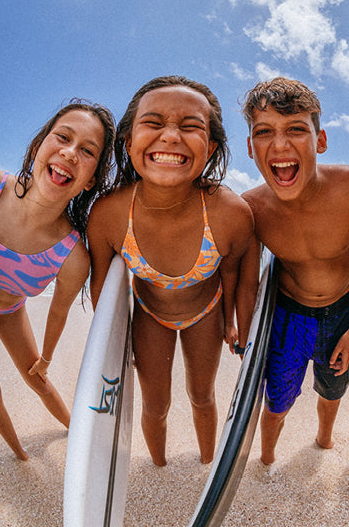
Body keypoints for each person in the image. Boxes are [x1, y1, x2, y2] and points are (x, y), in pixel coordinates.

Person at [87, 76, 253, 466]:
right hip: (150, 316)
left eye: (191, 126)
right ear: (129, 142)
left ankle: (209, 464)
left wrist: (230, 321)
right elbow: (103, 288)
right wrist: (116, 343)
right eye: (154, 122)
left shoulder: (229, 214)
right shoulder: (109, 215)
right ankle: (158, 465)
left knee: (202, 395)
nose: (171, 136)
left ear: (210, 148)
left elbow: (233, 274)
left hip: (205, 312)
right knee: (155, 403)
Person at [240, 76, 349, 465]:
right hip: (290, 315)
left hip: (341, 310)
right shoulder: (252, 208)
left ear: (320, 141)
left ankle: (323, 438)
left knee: (332, 390)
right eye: (264, 132)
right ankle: (267, 458)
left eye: (296, 130)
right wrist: (245, 338)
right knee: (277, 400)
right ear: (251, 148)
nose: (281, 144)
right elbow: (248, 283)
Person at [0, 100, 116, 460]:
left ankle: (78, 436)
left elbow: (59, 313)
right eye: (63, 137)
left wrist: (46, 358)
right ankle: (21, 457)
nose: (70, 153)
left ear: (90, 181)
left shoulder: (73, 257)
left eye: (87, 151)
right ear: (39, 145)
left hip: (9, 307)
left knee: (35, 379)